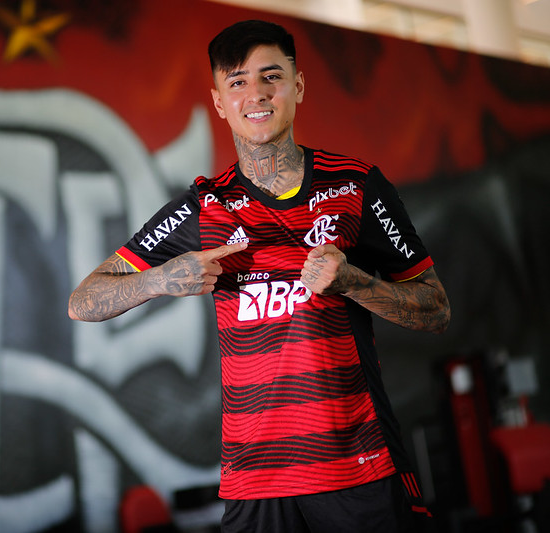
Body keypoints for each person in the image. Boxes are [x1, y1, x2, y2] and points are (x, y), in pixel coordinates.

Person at [68, 19, 450, 533]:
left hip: (358, 467)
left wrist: (353, 281)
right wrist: (159, 280)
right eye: (238, 81)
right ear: (219, 102)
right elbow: (83, 300)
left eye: (272, 76)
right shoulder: (203, 206)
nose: (257, 94)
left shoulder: (357, 186)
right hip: (255, 479)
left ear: (298, 85)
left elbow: (435, 309)